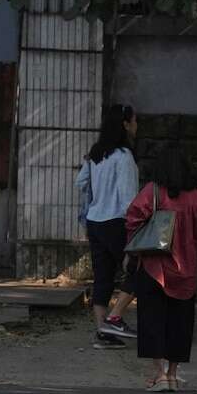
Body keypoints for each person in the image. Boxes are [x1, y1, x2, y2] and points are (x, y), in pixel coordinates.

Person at [125, 144, 197, 391]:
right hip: (186, 269)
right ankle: (173, 375)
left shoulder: (151, 192)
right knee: (180, 323)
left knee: (152, 320)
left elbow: (132, 220)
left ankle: (159, 373)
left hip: (154, 267)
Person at [74, 103, 141, 347]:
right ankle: (114, 318)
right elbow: (129, 201)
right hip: (116, 223)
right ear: (125, 124)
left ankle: (103, 333)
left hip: (95, 221)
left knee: (103, 278)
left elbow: (80, 182)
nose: (136, 125)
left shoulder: (96, 152)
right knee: (137, 268)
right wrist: (134, 232)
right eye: (134, 121)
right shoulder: (124, 157)